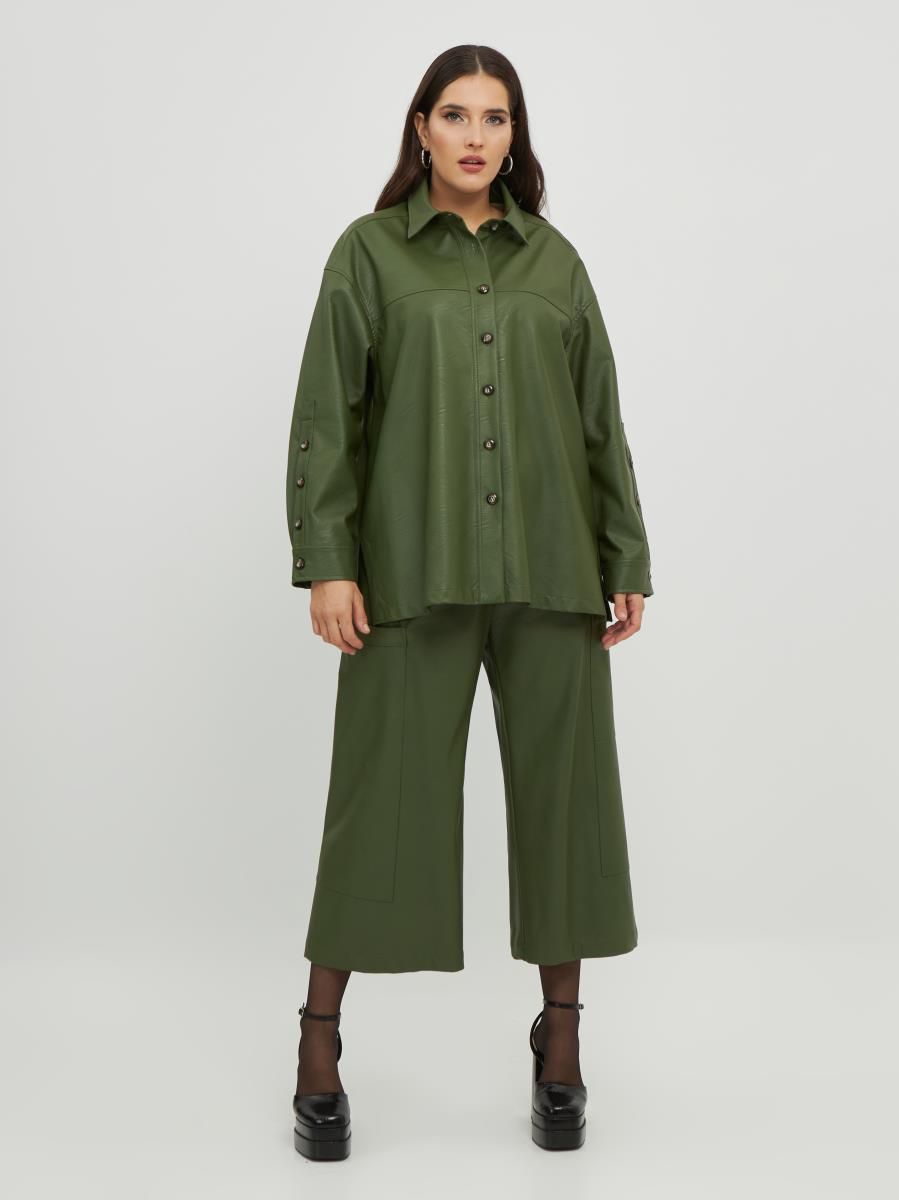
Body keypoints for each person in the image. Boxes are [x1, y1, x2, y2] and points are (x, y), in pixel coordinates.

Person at [285, 44, 654, 1160]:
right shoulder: (368, 254)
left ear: (513, 134)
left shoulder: (555, 263)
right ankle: (316, 1041)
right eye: (455, 114)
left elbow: (598, 419)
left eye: (495, 118)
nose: (475, 136)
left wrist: (623, 553)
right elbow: (328, 415)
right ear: (421, 128)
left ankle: (560, 1043)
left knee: (564, 807)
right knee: (376, 805)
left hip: (551, 573)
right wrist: (329, 560)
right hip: (410, 574)